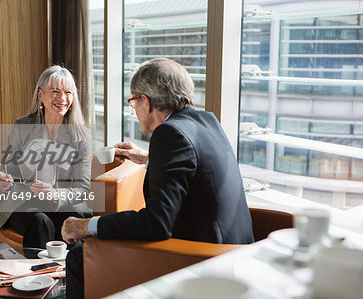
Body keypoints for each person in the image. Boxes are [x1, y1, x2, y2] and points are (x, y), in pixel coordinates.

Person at [61, 58, 254, 298]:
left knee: (79, 257)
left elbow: (157, 224)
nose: (135, 108)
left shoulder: (169, 133)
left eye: (134, 101)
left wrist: (85, 226)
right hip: (237, 254)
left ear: (146, 101)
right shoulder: (206, 121)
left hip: (203, 262)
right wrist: (147, 158)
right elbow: (195, 170)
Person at [0, 65, 92, 250]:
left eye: (68, 92)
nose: (62, 98)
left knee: (70, 224)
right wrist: (3, 179)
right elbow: (9, 168)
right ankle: (38, 274)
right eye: (55, 91)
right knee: (40, 222)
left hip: (63, 202)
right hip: (24, 200)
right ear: (40, 95)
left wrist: (55, 194)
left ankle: (67, 276)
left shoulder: (81, 135)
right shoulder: (23, 126)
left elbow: (82, 188)